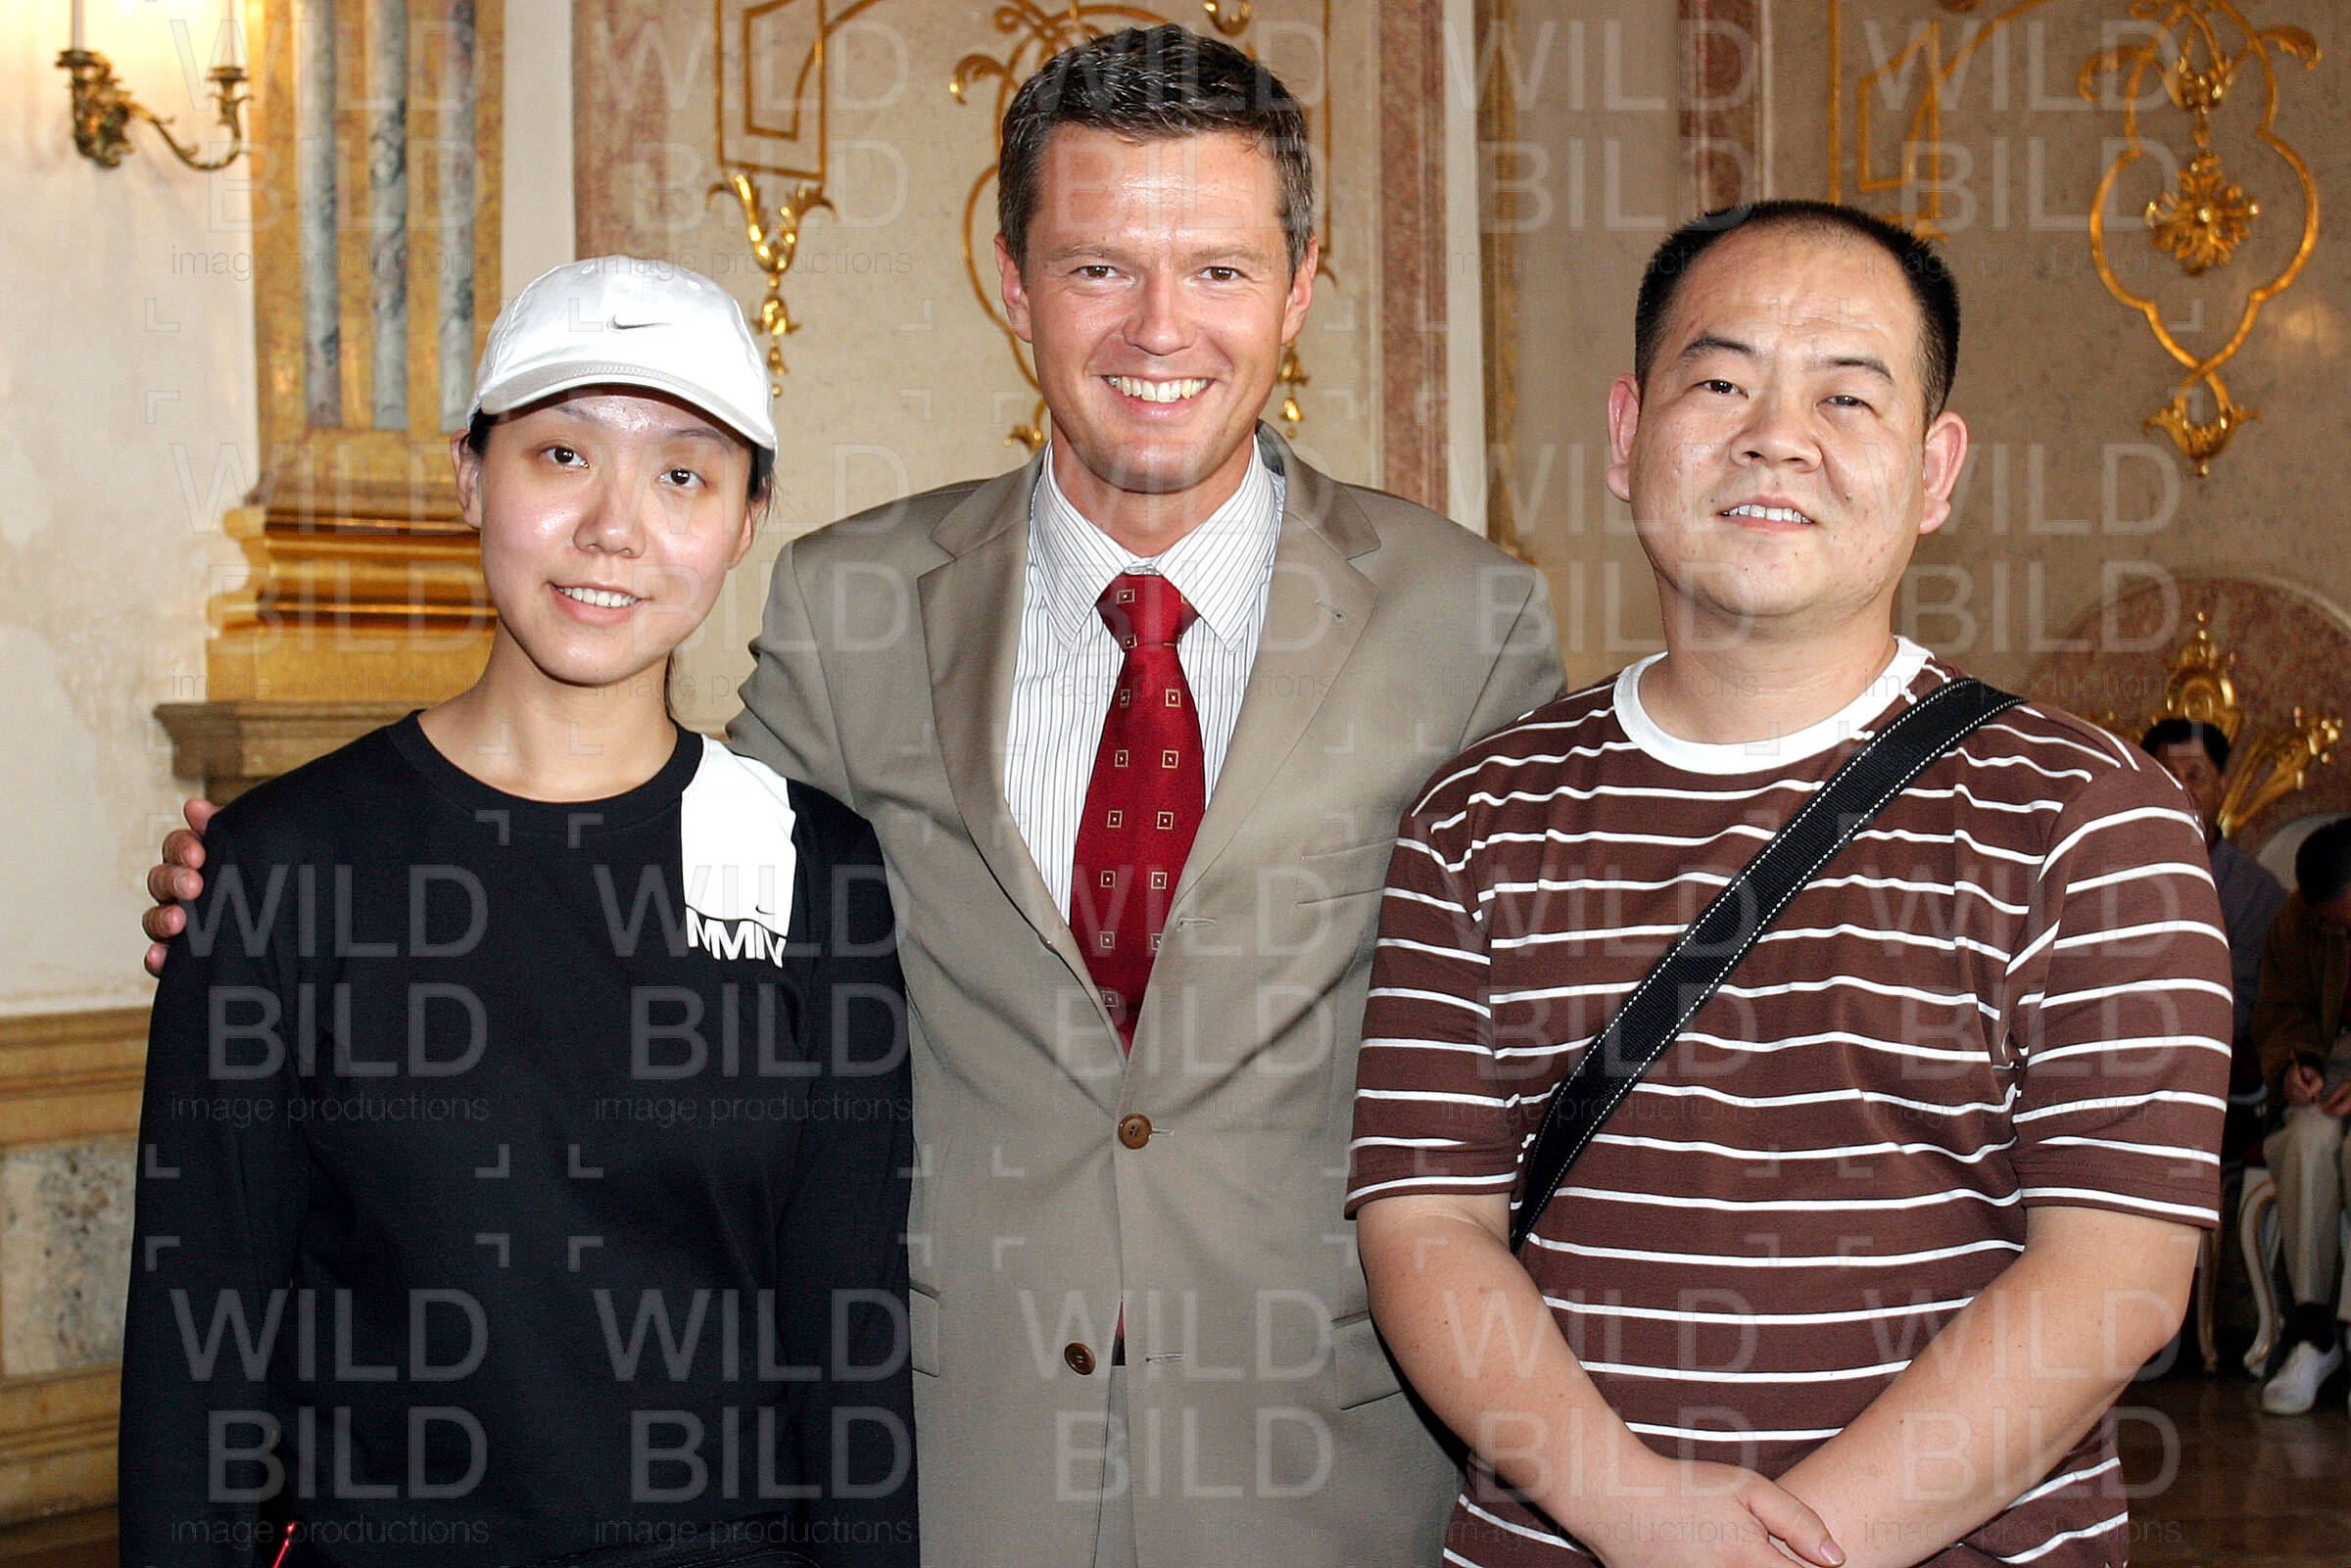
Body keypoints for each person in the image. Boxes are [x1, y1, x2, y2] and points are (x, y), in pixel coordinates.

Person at [141, 26, 1565, 1568]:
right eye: (1097, 267)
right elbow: (655, 862)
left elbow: (1549, 1061)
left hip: (1321, 1473)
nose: (1160, 327)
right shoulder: (855, 603)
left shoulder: (1464, 621)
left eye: (1219, 269)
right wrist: (281, 895)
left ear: (1300, 287)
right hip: (958, 1467)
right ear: (1012, 284)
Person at [1348, 202, 2231, 1568]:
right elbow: (1427, 1224)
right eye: (1721, 382)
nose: (1777, 435)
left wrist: (1792, 1551)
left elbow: (2112, 1274)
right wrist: (1632, 1511)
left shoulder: (2089, 812)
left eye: (1847, 396)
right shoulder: (1476, 813)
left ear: (1936, 471)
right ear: (1627, 434)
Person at [123, 260, 916, 1567]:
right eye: (561, 454)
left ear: (747, 520)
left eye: (682, 474)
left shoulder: (815, 870)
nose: (613, 527)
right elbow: (193, 1367)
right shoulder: (278, 869)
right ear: (469, 476)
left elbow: (853, 1351)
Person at [2142, 718, 2286, 1161]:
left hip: (2209, 1078)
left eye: (2196, 777)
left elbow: (2246, 1009)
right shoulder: (2105, 873)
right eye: (2167, 777)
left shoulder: (2256, 892)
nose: (2181, 790)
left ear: (2223, 787)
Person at [2251, 818, 2351, 1415]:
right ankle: (2314, 1333)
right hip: (2330, 1067)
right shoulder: (2297, 920)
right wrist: (2297, 1066)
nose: (2332, 931)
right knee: (2306, 1141)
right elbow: (2279, 1009)